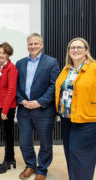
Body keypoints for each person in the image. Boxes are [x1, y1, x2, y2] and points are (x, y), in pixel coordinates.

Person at [16, 33, 60, 180]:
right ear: (27, 46)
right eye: (30, 44)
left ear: (41, 45)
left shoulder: (51, 62)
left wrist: (39, 102)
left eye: (36, 44)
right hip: (24, 109)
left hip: (44, 109)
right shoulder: (20, 63)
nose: (33, 46)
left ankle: (42, 169)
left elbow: (55, 86)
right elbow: (15, 85)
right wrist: (21, 100)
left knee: (45, 142)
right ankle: (30, 165)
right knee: (24, 141)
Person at [55, 38, 96, 180]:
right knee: (70, 152)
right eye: (72, 48)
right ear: (69, 51)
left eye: (79, 47)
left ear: (86, 50)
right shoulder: (67, 69)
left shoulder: (94, 67)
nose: (76, 50)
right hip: (67, 118)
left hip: (87, 119)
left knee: (82, 155)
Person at [0, 42, 18, 174]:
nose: (0, 55)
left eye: (3, 53)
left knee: (8, 134)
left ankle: (7, 161)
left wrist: (4, 110)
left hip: (7, 107)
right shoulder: (1, 66)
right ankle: (11, 158)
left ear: (8, 54)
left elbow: (11, 90)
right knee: (5, 133)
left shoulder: (11, 68)